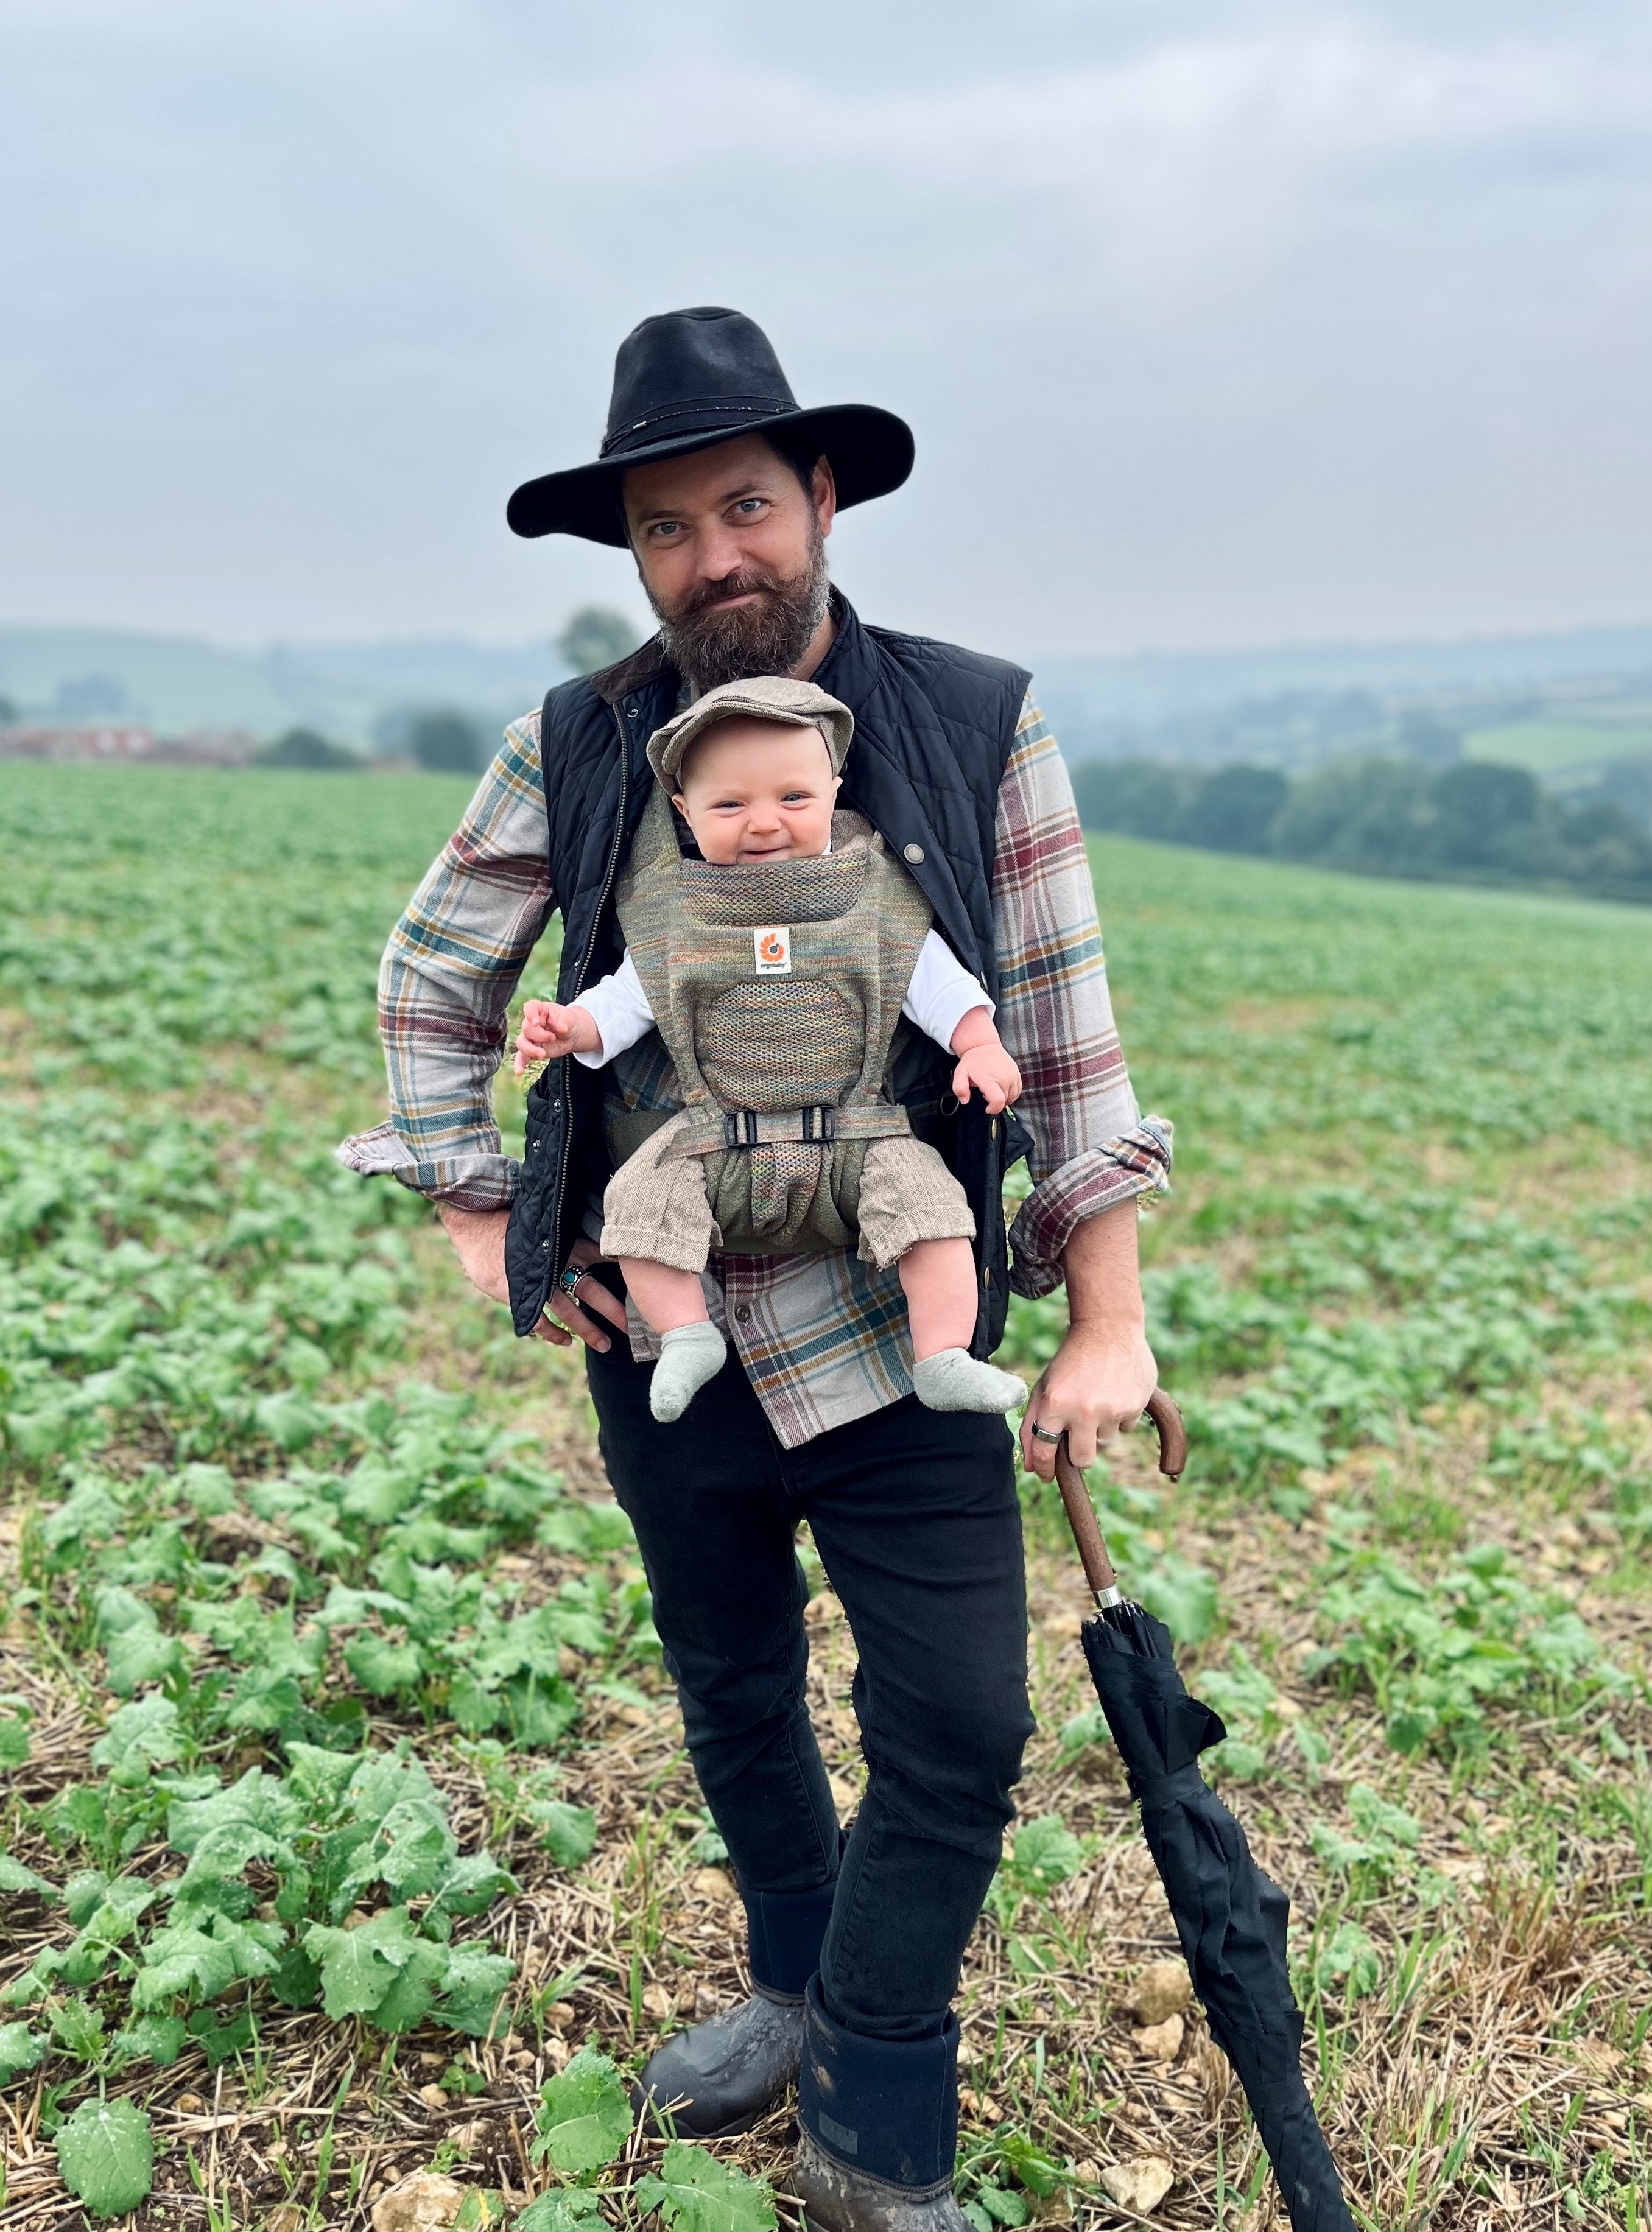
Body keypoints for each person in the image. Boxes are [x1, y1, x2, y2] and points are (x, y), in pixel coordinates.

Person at [339, 305, 1172, 2232]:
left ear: (818, 500)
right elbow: (432, 972)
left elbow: (1059, 1022)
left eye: (743, 507)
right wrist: (497, 1220)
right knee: (731, 1687)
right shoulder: (584, 738)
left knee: (960, 1723)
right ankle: (796, 1985)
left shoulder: (972, 719)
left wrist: (1110, 1314)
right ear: (632, 558)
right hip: (670, 1326)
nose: (711, 556)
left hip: (911, 1316)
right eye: (663, 529)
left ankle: (878, 2110)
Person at [510, 675, 1027, 1424]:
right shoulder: (675, 914)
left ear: (835, 791)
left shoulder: (874, 899)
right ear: (684, 813)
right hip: (711, 1138)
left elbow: (938, 986)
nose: (763, 824)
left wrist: (977, 1045)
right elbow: (623, 1004)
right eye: (729, 805)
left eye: (793, 799)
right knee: (640, 1205)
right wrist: (570, 1030)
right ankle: (688, 1334)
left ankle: (943, 1354)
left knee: (930, 1208)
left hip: (857, 1133)